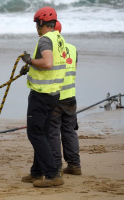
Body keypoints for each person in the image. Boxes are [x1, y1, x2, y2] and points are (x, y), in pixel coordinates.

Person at [20, 7, 67, 187]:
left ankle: (52, 174)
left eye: (36, 24)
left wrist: (30, 61)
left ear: (41, 23)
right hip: (53, 93)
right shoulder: (58, 38)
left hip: (41, 94)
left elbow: (47, 63)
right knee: (43, 133)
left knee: (35, 134)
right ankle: (37, 173)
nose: (36, 28)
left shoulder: (45, 40)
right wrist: (31, 66)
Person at [48, 20, 82, 175]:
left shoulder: (49, 50)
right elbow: (73, 69)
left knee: (53, 132)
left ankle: (56, 166)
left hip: (54, 96)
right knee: (69, 131)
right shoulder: (73, 49)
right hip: (70, 96)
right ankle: (74, 165)